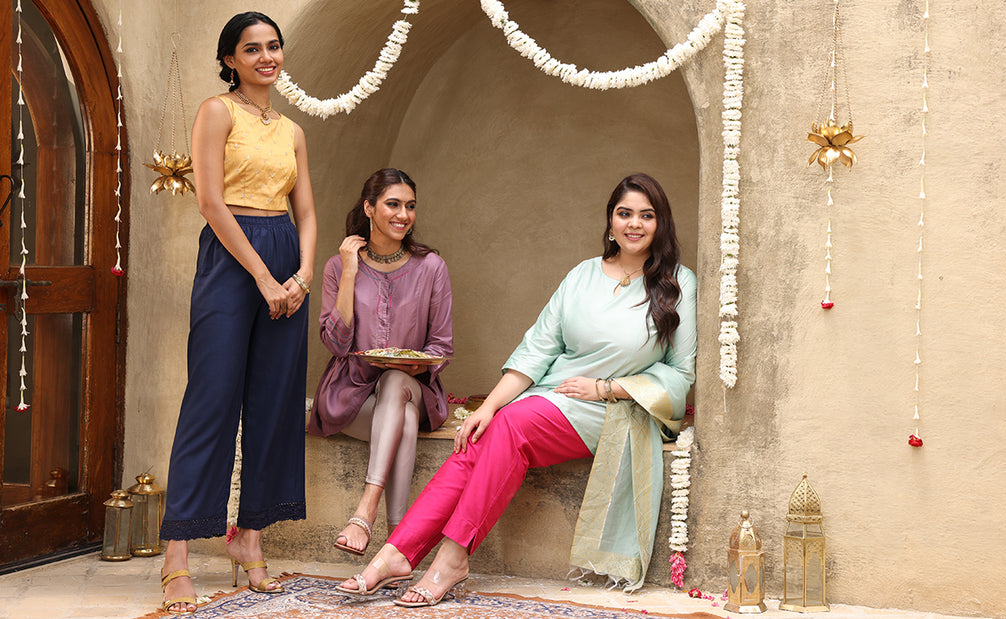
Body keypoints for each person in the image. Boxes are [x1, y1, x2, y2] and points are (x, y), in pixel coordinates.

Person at [337, 173, 697, 606]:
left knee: (513, 426)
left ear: (661, 223)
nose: (634, 224)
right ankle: (395, 554)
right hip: (552, 397)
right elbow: (536, 350)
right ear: (610, 222)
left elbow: (680, 375)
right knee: (480, 435)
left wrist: (607, 387)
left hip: (618, 410)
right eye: (624, 214)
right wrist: (485, 408)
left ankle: (452, 558)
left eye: (646, 215)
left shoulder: (677, 284)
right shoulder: (584, 275)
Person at [157, 11, 317, 615]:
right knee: (212, 399)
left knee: (275, 402)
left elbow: (306, 213)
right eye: (252, 49)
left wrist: (299, 276)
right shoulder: (215, 112)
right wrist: (262, 275)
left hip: (285, 258)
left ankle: (249, 537)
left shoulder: (294, 131)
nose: (266, 57)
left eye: (273, 46)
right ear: (230, 59)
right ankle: (176, 555)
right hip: (232, 260)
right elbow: (209, 200)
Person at [307, 168, 453, 559]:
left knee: (394, 383)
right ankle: (398, 544)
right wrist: (351, 273)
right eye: (393, 204)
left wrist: (415, 367)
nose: (403, 214)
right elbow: (336, 343)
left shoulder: (431, 267)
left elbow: (441, 345)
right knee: (400, 418)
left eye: (410, 206)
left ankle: (364, 511)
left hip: (414, 388)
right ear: (369, 208)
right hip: (350, 397)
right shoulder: (338, 267)